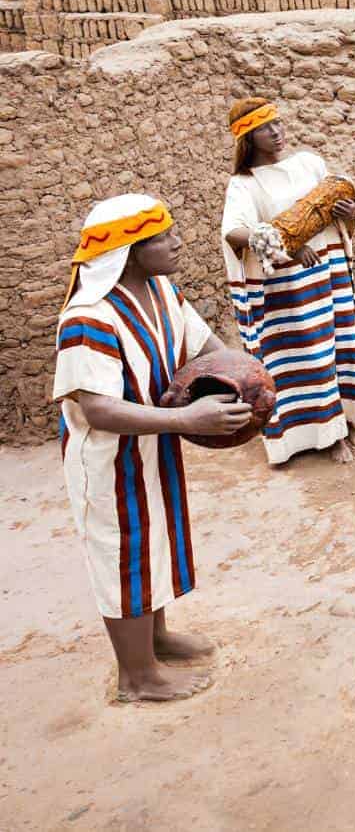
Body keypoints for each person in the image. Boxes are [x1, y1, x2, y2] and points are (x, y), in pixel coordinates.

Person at [55, 194, 254, 701]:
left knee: (154, 543)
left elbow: (208, 347)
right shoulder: (89, 318)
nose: (178, 241)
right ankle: (137, 677)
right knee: (123, 553)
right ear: (129, 249)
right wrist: (187, 418)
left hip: (151, 447)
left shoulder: (164, 293)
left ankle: (155, 641)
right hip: (109, 460)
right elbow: (98, 409)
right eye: (164, 236)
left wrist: (252, 382)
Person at [220, 98, 355, 465]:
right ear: (248, 139)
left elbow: (332, 211)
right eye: (264, 128)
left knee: (337, 348)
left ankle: (346, 423)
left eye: (277, 123)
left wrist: (350, 213)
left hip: (328, 276)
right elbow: (234, 233)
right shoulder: (244, 184)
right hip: (289, 290)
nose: (276, 132)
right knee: (308, 357)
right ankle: (320, 438)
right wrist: (285, 243)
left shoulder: (310, 164)